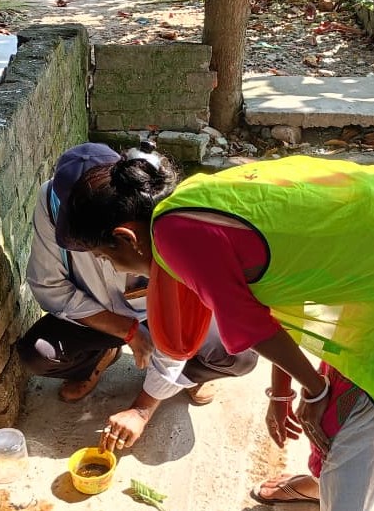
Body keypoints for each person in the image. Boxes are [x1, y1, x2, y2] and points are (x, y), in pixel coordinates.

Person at [58, 151, 374, 510]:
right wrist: (282, 393)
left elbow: (251, 328)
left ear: (125, 235)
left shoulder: (175, 237)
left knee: (361, 429)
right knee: (340, 391)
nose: (117, 271)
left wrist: (310, 390)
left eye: (107, 257)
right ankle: (321, 487)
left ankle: (337, 494)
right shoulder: (187, 202)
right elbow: (268, 305)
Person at [17, 143, 258, 453]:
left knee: (237, 353)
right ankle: (103, 356)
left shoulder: (171, 227)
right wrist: (128, 331)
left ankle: (189, 373)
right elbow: (49, 286)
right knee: (38, 353)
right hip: (100, 315)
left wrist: (143, 409)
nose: (100, 258)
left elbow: (184, 317)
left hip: (165, 311)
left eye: (101, 253)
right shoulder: (53, 202)